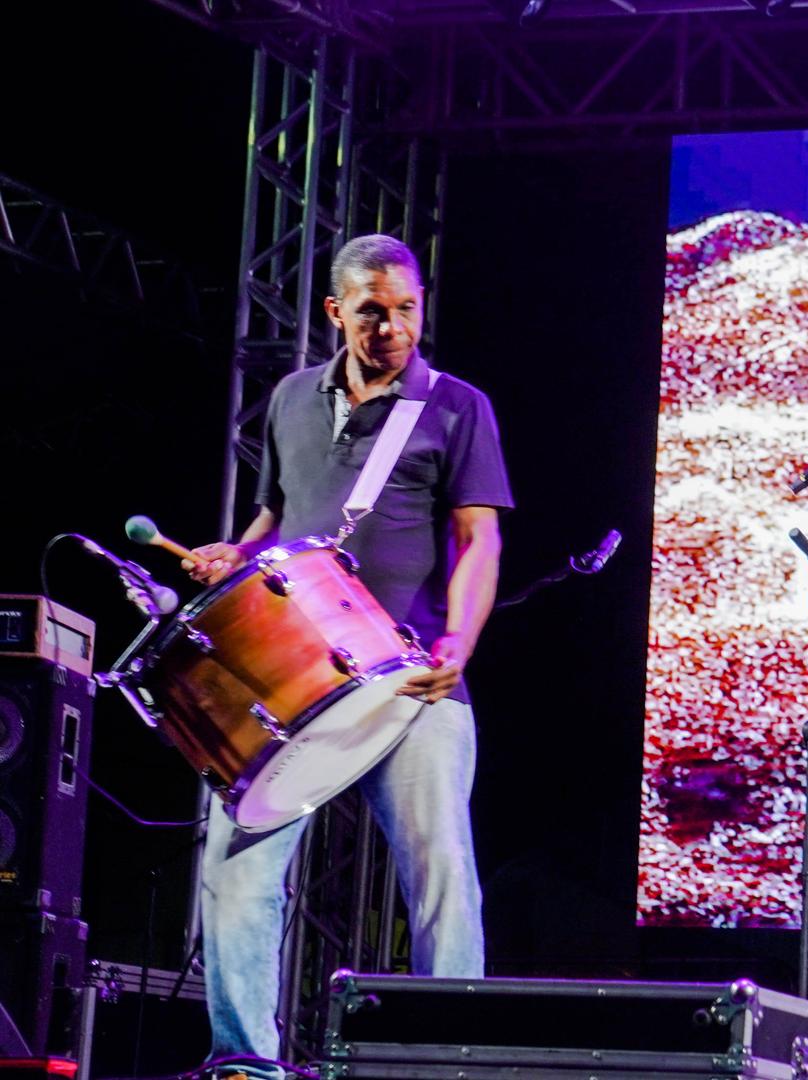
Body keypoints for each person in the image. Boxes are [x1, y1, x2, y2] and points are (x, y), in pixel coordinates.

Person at [184, 234, 512, 1071]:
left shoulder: (455, 406)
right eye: (372, 311)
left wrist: (460, 639)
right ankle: (245, 1061)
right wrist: (236, 553)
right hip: (293, 681)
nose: (392, 327)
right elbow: (280, 518)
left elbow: (478, 539)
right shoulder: (291, 398)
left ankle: (449, 1060)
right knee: (237, 867)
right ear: (336, 311)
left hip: (411, 681)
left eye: (406, 309)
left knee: (441, 874)